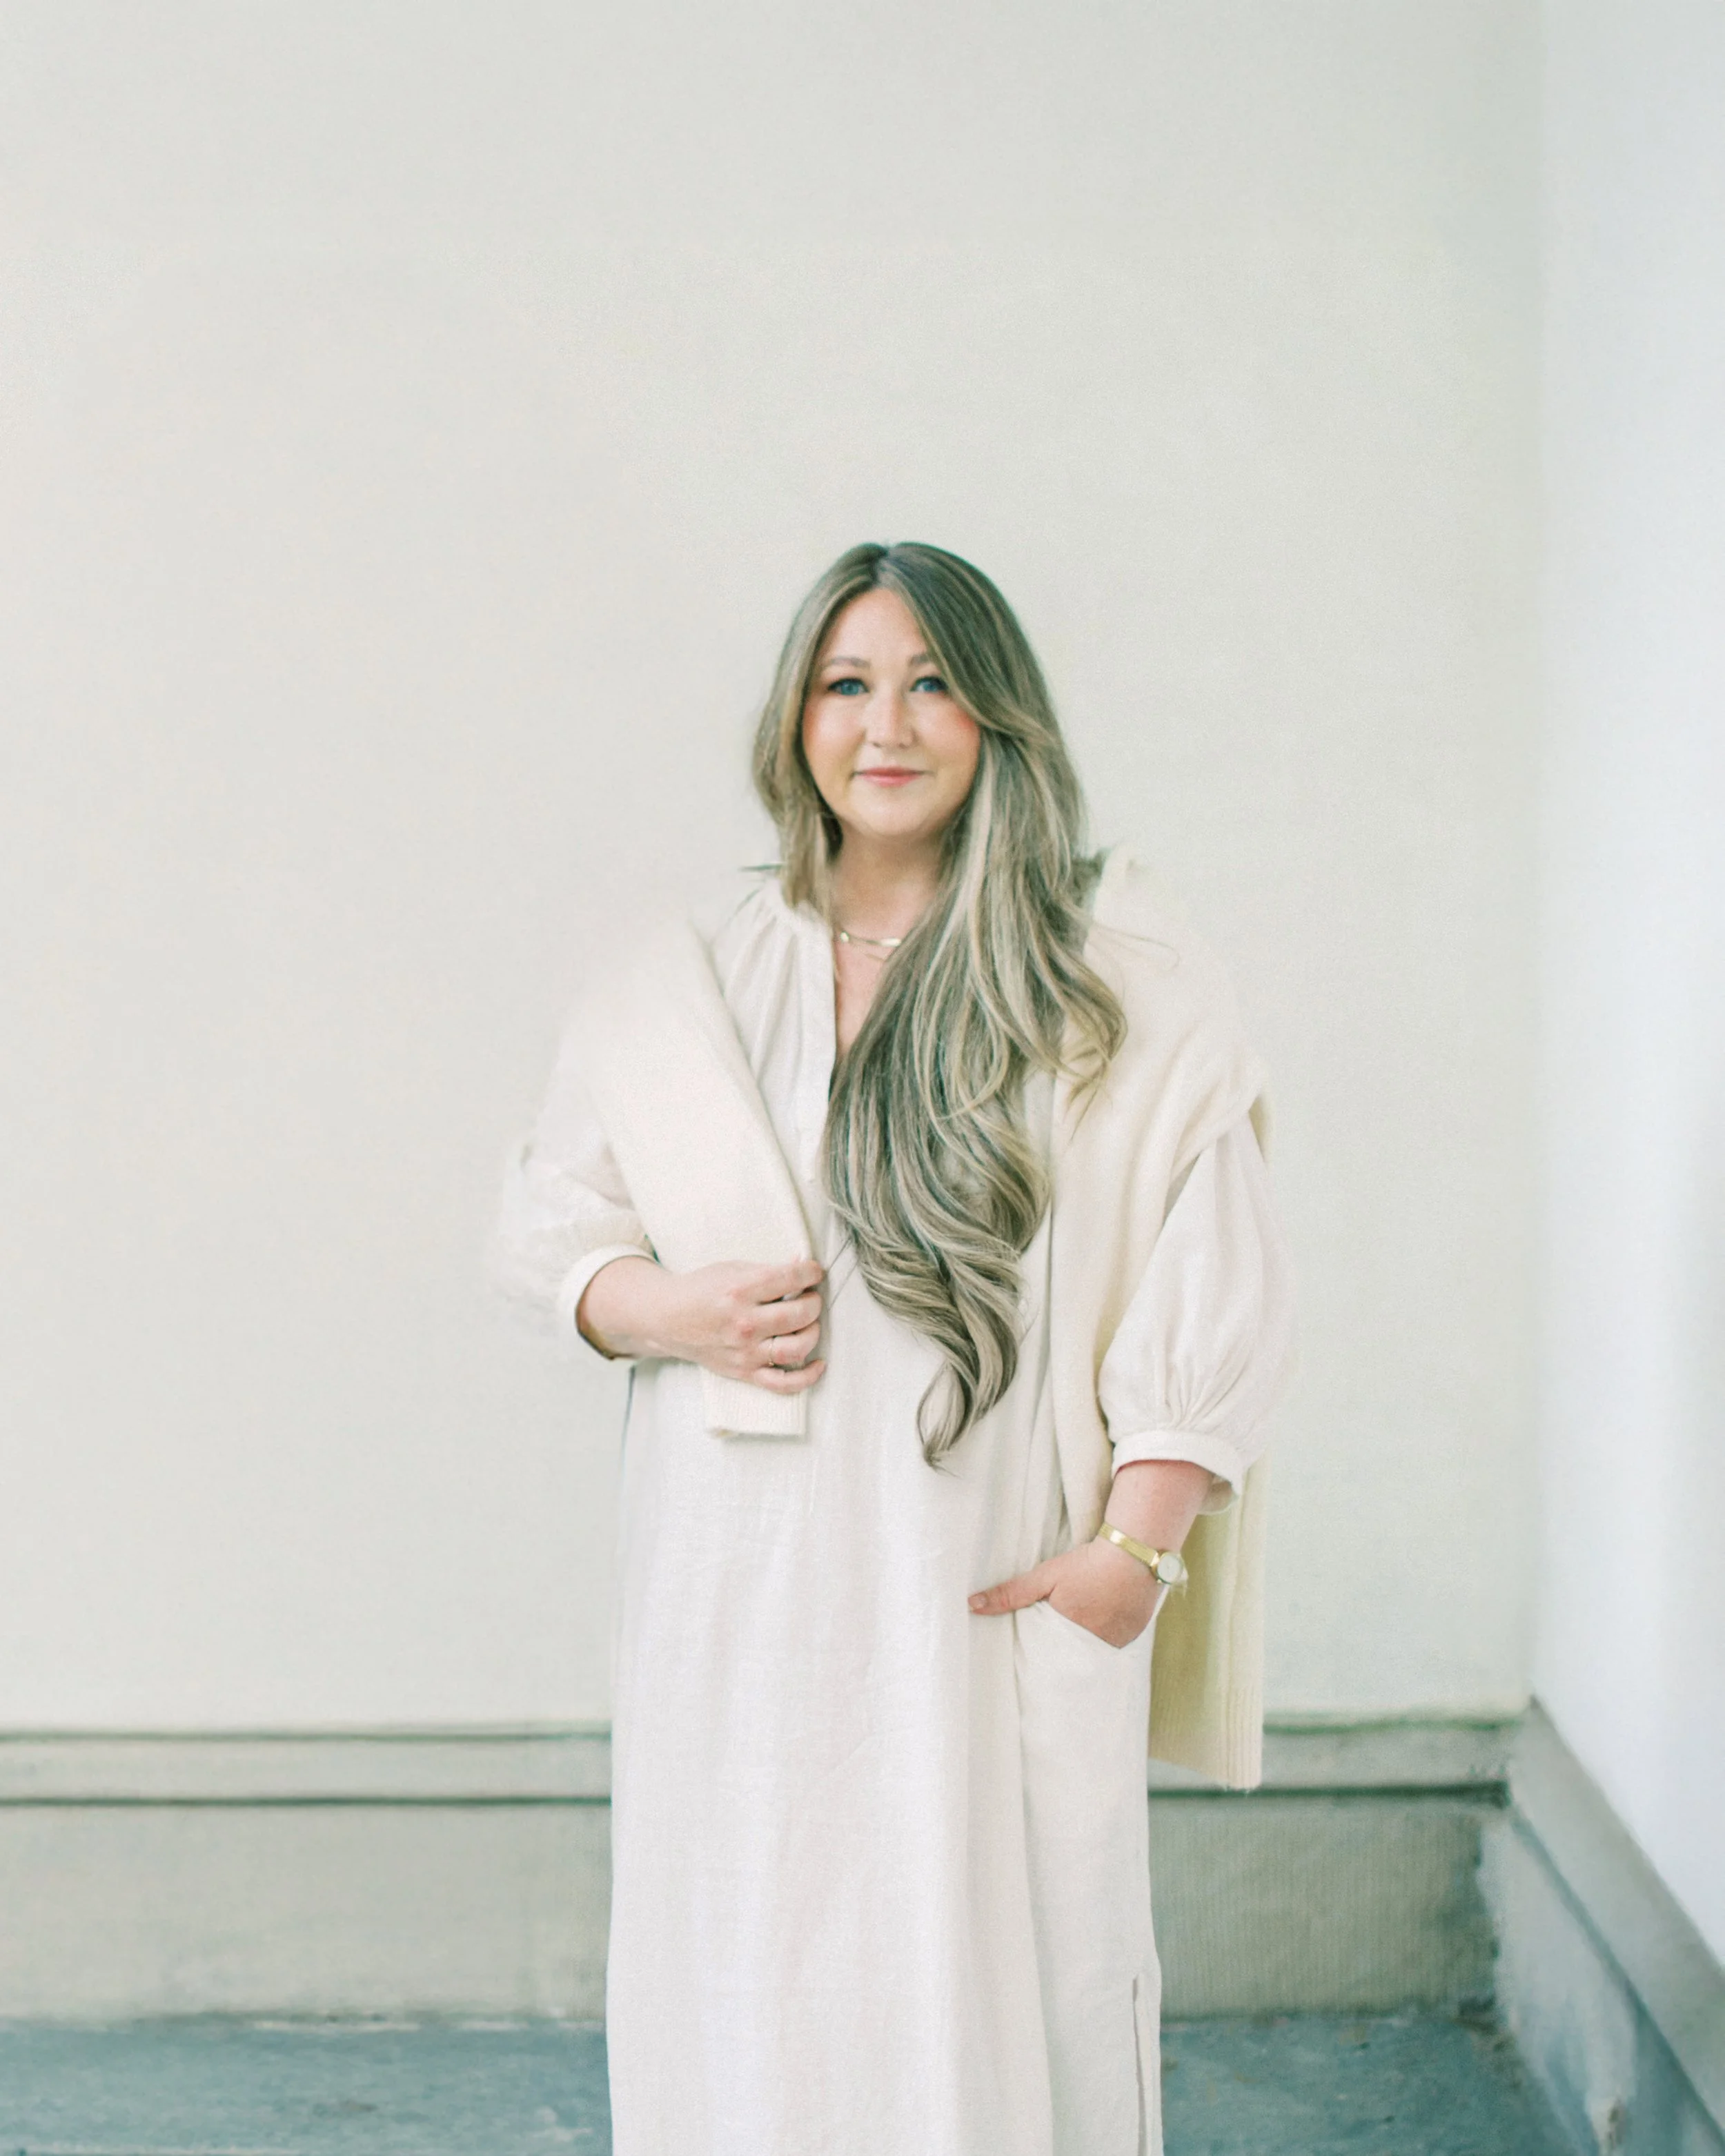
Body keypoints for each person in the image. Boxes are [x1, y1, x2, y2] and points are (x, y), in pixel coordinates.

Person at [491, 541, 1296, 2156]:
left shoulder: (1108, 974)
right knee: (748, 1972)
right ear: (796, 715)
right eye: (847, 681)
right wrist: (670, 1307)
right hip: (735, 1598)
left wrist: (1136, 1548)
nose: (888, 722)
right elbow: (547, 1221)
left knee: (1001, 1993)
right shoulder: (687, 976)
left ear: (999, 715)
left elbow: (1211, 1259)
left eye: (933, 680)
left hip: (982, 1586)